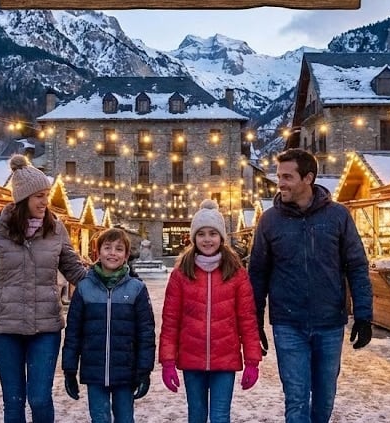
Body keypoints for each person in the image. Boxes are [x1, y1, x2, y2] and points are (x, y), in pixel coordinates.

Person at [248, 148, 373, 423]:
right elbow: (257, 273)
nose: (280, 183)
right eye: (279, 176)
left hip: (329, 323)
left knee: (325, 398)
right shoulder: (269, 221)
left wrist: (364, 316)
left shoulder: (338, 216)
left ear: (308, 178)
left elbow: (357, 266)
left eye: (287, 177)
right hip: (287, 323)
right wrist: (254, 319)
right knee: (296, 398)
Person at [0, 154, 88, 423]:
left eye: (46, 195)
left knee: (40, 399)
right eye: (39, 196)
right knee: (13, 401)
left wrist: (109, 279)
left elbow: (76, 271)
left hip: (45, 329)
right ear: (23, 199)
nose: (45, 202)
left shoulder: (56, 230)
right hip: (4, 330)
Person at [159, 199, 262, 423]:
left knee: (219, 417)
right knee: (196, 415)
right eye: (201, 234)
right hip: (191, 358)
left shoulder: (236, 273)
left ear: (221, 238)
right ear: (194, 237)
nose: (207, 239)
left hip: (225, 359)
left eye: (213, 234)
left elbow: (247, 319)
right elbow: (171, 321)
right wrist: (167, 362)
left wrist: (252, 361)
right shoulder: (181, 274)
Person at [61, 228, 155, 423]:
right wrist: (69, 369)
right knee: (100, 417)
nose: (113, 253)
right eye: (107, 248)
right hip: (94, 370)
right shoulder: (85, 288)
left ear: (126, 255)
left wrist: (144, 370)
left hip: (125, 371)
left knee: (124, 418)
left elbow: (146, 333)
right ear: (98, 252)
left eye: (119, 249)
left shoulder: (136, 289)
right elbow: (73, 332)